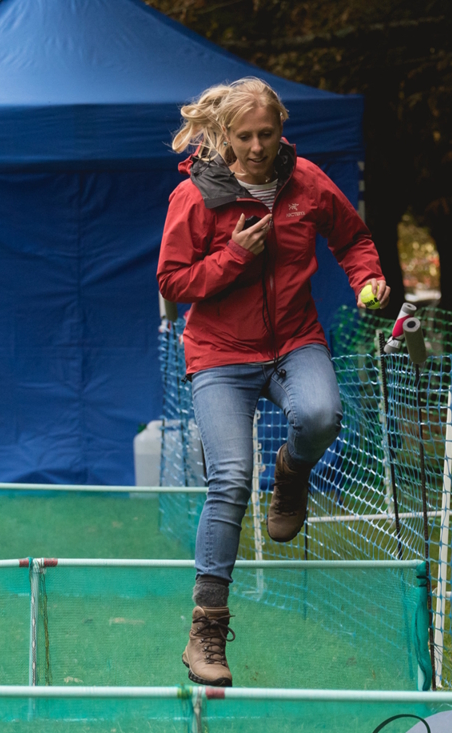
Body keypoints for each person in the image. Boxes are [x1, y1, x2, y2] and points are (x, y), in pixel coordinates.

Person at [158, 78, 389, 687]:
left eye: (267, 134)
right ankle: (205, 629)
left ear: (281, 128)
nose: (257, 147)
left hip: (294, 340)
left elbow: (353, 237)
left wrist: (368, 278)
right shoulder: (194, 196)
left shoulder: (307, 181)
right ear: (223, 136)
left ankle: (291, 472)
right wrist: (233, 255)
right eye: (244, 136)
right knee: (229, 478)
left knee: (320, 418)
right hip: (219, 353)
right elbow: (172, 283)